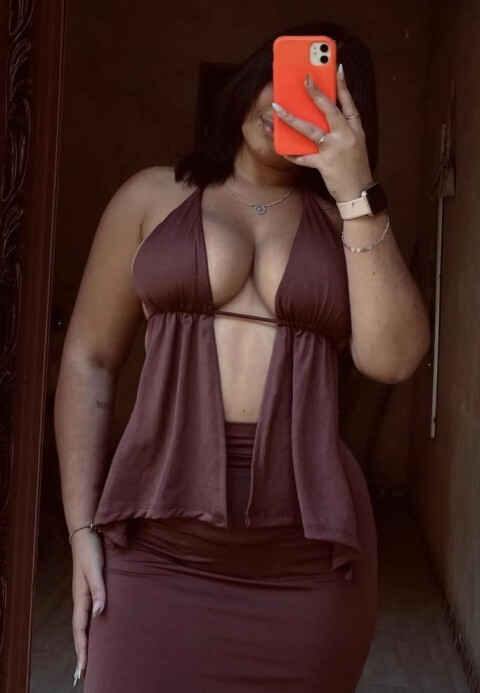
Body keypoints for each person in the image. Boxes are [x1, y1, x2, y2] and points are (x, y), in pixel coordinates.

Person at [55, 20, 430, 693]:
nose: (286, 104)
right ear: (253, 76)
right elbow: (89, 357)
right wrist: (80, 526)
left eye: (319, 95)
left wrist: (357, 192)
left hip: (305, 555)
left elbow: (393, 359)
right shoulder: (152, 196)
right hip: (156, 535)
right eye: (282, 78)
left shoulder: (349, 226)